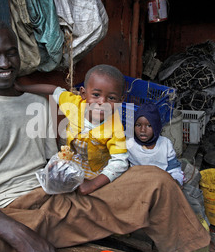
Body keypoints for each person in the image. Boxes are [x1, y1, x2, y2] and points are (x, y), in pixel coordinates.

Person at [0, 17, 210, 252]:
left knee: (156, 181)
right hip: (2, 217)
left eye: (11, 52)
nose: (5, 63)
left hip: (59, 202)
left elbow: (49, 161)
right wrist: (23, 238)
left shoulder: (34, 103)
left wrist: (74, 175)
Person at [14, 64, 129, 195]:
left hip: (94, 170)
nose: (102, 101)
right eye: (96, 95)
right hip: (69, 158)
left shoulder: (115, 127)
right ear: (83, 94)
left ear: (121, 100)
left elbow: (120, 161)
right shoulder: (74, 105)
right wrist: (21, 87)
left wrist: (92, 184)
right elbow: (54, 90)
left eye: (112, 98)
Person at [127, 103, 184, 186]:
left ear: (156, 127)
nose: (143, 130)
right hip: (138, 183)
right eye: (138, 125)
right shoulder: (129, 144)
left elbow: (174, 168)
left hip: (161, 183)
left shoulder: (165, 144)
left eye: (149, 126)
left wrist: (176, 181)